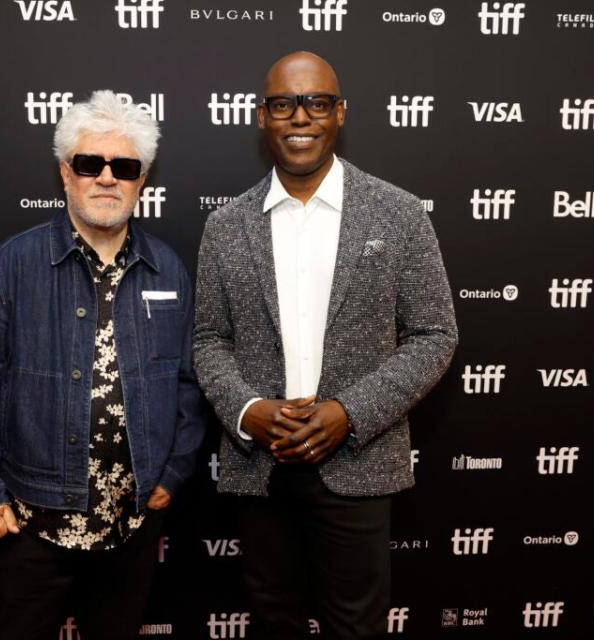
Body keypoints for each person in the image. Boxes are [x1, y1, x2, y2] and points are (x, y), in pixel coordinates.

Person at [193, 52, 458, 638]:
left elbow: (435, 334)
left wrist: (349, 414)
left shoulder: (400, 213)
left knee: (355, 626)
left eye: (316, 102)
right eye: (283, 104)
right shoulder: (226, 225)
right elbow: (210, 339)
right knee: (271, 621)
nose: (300, 117)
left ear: (339, 113)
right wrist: (246, 411)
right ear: (262, 118)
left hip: (359, 464)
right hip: (259, 466)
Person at [0, 90, 204, 640]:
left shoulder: (168, 271)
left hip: (131, 527)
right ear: (67, 173)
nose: (106, 177)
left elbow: (188, 383)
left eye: (124, 167)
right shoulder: (12, 265)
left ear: (142, 180)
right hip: (31, 526)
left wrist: (175, 472)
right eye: (91, 164)